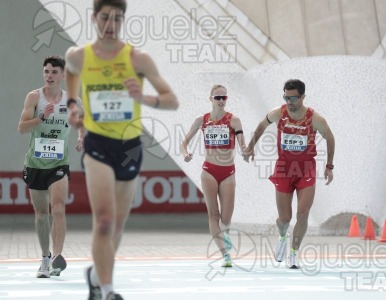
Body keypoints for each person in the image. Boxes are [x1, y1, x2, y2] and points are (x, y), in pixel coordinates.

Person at [64, 0, 178, 298]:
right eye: (105, 18)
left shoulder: (138, 59)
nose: (110, 24)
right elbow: (71, 72)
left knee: (115, 229)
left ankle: (94, 274)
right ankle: (108, 289)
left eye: (117, 18)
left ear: (123, 20)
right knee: (103, 220)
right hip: (97, 144)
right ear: (94, 19)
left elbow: (172, 100)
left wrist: (143, 98)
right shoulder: (79, 56)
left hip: (129, 147)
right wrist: (73, 104)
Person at [243, 79, 335, 269]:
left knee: (303, 213)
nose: (289, 101)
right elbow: (261, 126)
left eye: (293, 98)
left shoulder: (314, 118)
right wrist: (251, 147)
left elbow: (330, 137)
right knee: (284, 218)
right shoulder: (278, 113)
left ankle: (294, 252)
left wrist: (329, 166)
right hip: (284, 168)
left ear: (302, 97)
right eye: (286, 97)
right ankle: (283, 237)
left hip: (306, 169)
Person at [18, 55, 84, 278]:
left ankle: (57, 257)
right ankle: (45, 258)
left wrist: (81, 137)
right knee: (41, 214)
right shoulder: (34, 97)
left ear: (63, 75)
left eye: (54, 72)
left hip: (59, 162)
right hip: (35, 163)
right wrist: (40, 118)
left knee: (58, 208)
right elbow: (22, 128)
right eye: (46, 71)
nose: (49, 76)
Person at [180, 85, 246, 267]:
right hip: (209, 171)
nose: (221, 100)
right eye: (217, 97)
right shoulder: (201, 120)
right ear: (210, 99)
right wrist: (185, 153)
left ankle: (225, 232)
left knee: (226, 218)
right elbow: (184, 143)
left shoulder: (234, 120)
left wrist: (247, 152)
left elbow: (243, 145)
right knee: (213, 215)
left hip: (228, 173)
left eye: (224, 97)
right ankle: (225, 255)